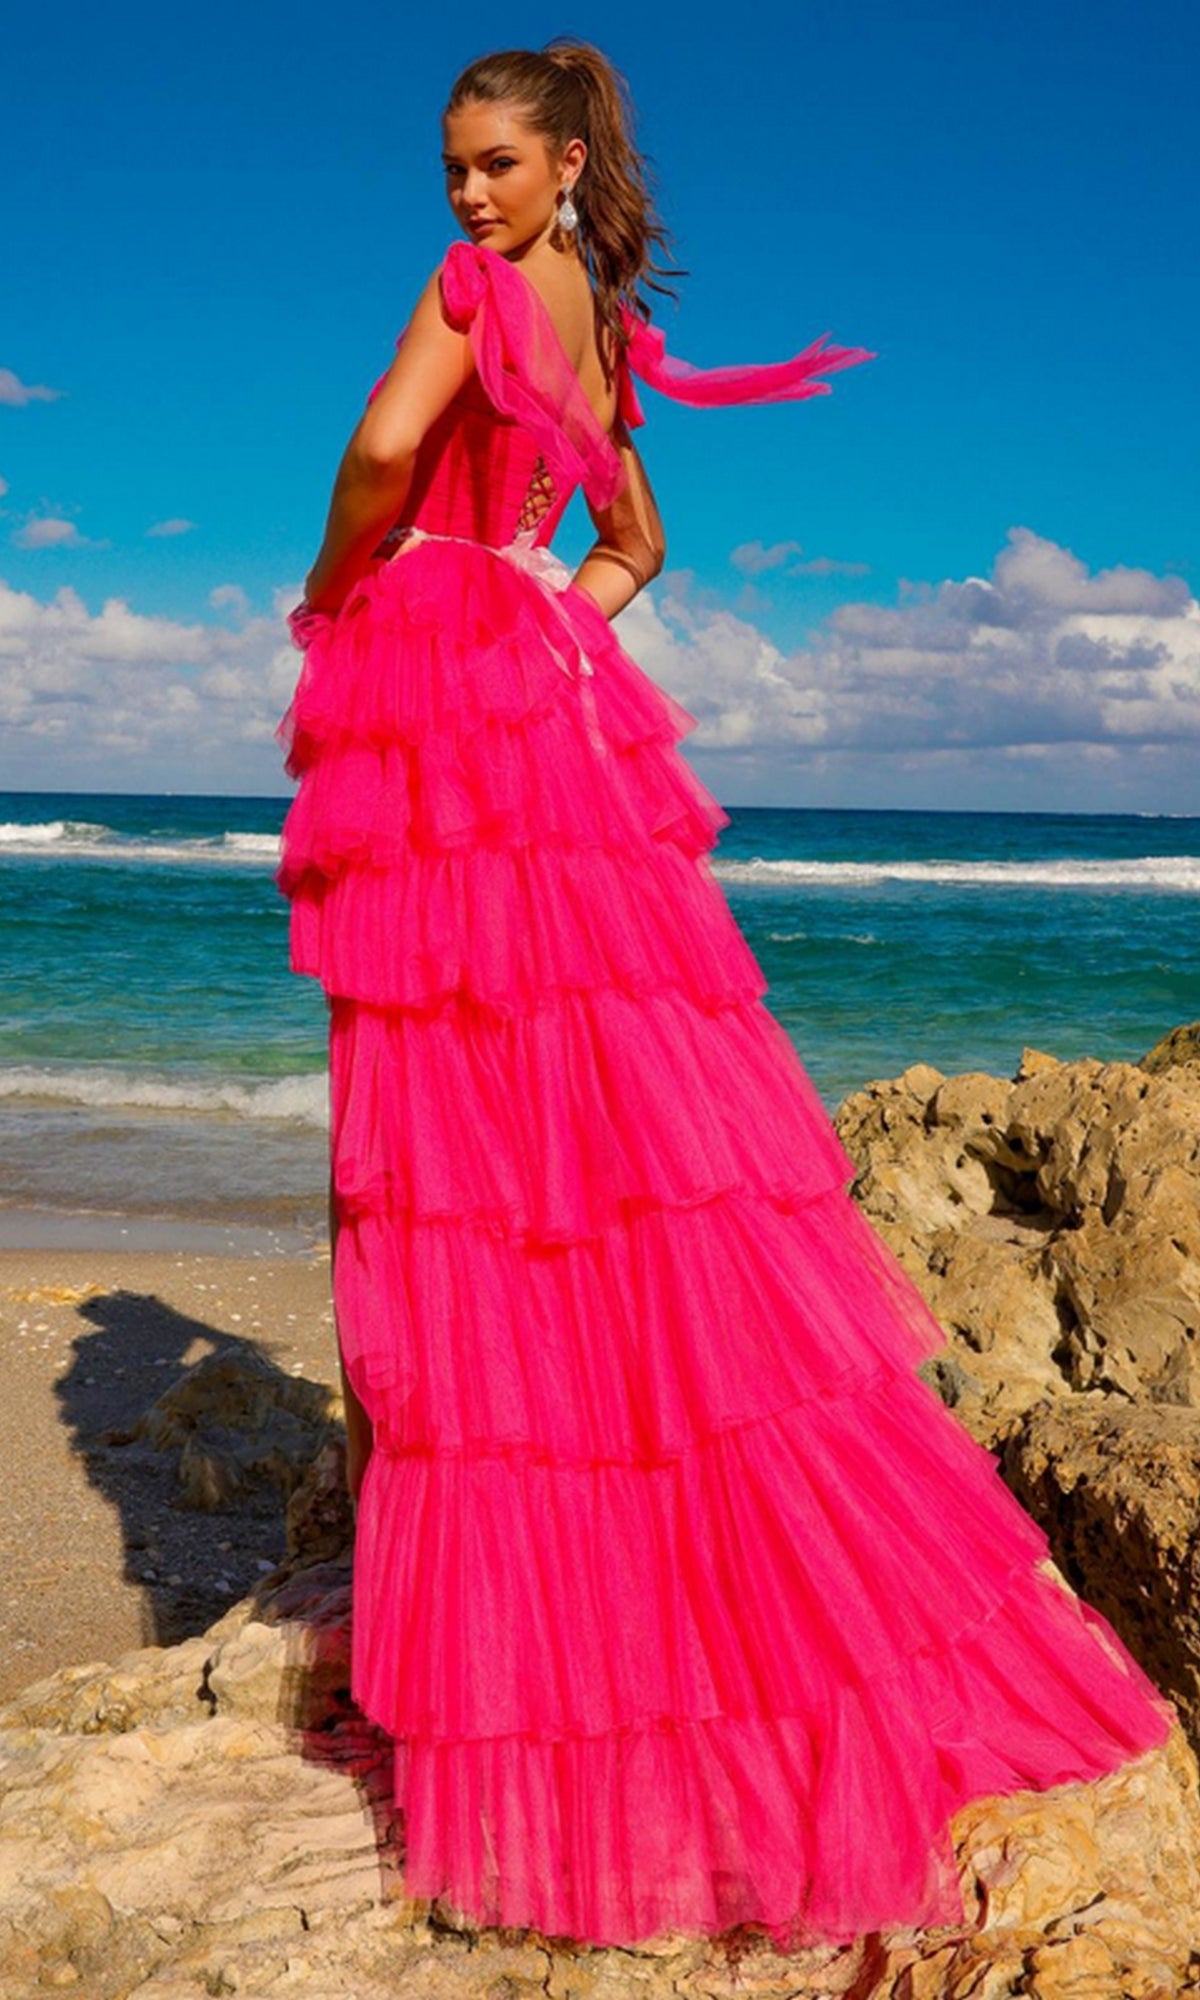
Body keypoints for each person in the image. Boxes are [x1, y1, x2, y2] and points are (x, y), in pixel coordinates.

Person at [276, 36, 1176, 1954]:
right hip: (535, 705)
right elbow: (639, 548)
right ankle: (608, 1563)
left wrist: (347, 591)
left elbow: (376, 451)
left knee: (446, 1141)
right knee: (578, 1131)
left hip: (435, 680)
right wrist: (544, 617)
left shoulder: (478, 297)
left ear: (566, 158)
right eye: (451, 170)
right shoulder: (600, 324)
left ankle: (482, 1641)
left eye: (496, 163)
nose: (468, 196)